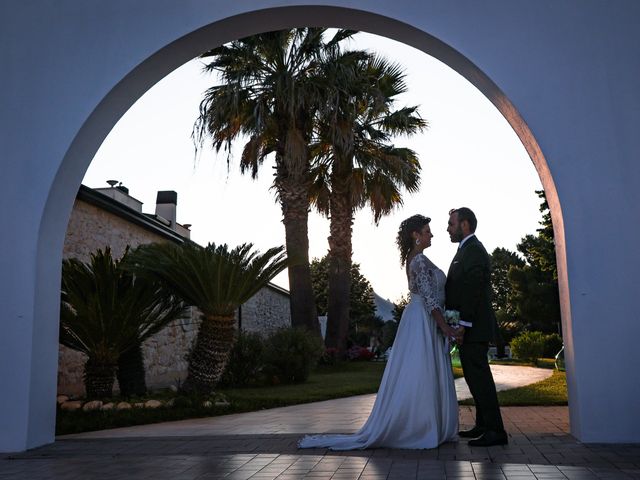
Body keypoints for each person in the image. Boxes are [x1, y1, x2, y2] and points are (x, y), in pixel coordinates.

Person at [298, 214, 458, 450]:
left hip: (419, 318)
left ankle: (425, 424)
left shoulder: (416, 259)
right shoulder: (419, 262)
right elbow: (430, 300)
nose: (431, 234)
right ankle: (419, 426)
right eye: (426, 231)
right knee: (420, 369)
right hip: (422, 320)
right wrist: (445, 326)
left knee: (420, 369)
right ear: (415, 235)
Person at [445, 207, 508, 446]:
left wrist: (462, 324)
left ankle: (496, 431)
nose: (447, 228)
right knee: (474, 378)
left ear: (464, 225)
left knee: (480, 379)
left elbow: (472, 290)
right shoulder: (465, 250)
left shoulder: (474, 251)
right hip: (470, 327)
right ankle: (483, 425)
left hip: (474, 328)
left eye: (451, 224)